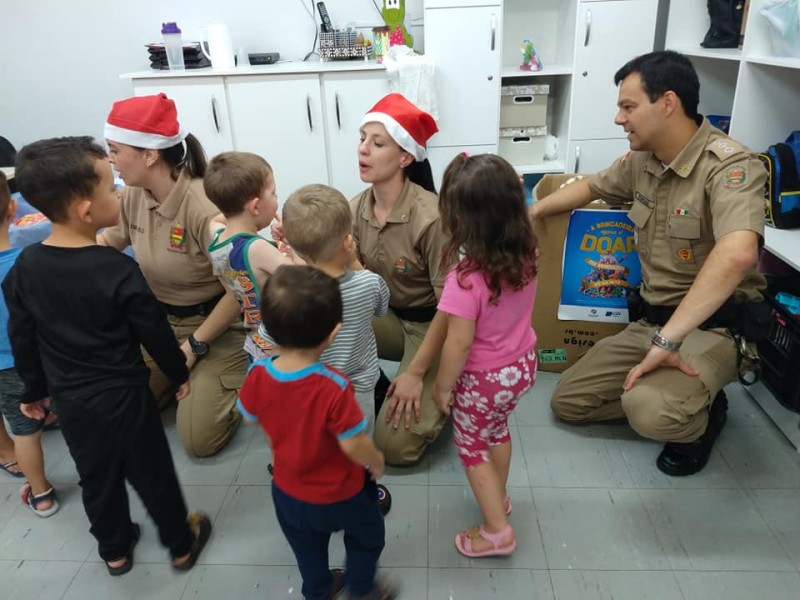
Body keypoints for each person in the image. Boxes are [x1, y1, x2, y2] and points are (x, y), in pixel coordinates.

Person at [531, 50, 768, 476]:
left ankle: (699, 419)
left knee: (649, 411)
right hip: (651, 322)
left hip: (712, 329)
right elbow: (591, 187)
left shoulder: (730, 166)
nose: (619, 119)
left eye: (628, 106)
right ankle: (672, 394)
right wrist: (533, 213)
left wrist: (667, 342)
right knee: (569, 402)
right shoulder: (644, 161)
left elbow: (738, 253)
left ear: (668, 103)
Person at [3, 136, 212, 575]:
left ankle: (115, 551)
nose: (119, 193)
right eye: (109, 189)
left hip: (71, 401)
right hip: (127, 397)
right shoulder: (118, 269)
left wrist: (34, 391)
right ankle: (180, 544)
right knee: (152, 472)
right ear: (85, 210)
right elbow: (154, 333)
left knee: (96, 476)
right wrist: (178, 374)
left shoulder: (24, 268)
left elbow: (22, 337)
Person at [98, 93, 249, 457]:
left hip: (218, 326)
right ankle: (182, 383)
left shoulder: (203, 207)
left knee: (199, 440)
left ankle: (242, 375)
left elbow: (238, 293)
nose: (110, 160)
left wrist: (194, 347)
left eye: (115, 150)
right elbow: (109, 241)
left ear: (150, 155)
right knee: (118, 412)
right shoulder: (134, 193)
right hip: (161, 323)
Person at [238, 265, 396, 600]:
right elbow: (353, 444)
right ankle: (362, 588)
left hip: (289, 492)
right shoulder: (334, 387)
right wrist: (376, 459)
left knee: (307, 550)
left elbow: (251, 418)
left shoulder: (257, 375)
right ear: (333, 332)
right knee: (367, 539)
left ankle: (319, 591)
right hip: (343, 493)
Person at [431, 153, 539, 558]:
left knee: (472, 447)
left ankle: (497, 531)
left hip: (483, 381)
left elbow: (457, 344)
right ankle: (499, 497)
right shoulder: (527, 253)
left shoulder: (465, 280)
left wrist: (443, 387)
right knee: (497, 432)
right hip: (521, 367)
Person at [280, 183, 393, 514]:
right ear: (347, 241)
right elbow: (383, 307)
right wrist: (354, 261)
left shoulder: (290, 293)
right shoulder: (367, 284)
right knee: (358, 442)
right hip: (357, 386)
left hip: (310, 390)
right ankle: (361, 492)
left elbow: (269, 335)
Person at [351, 93, 449, 466]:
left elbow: (452, 310)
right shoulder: (356, 208)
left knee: (395, 449)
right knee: (323, 309)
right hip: (388, 316)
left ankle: (450, 380)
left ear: (406, 157)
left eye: (378, 143)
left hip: (433, 325)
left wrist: (416, 374)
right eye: (362, 139)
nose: (363, 149)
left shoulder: (431, 218)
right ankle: (377, 384)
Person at [0, 170, 59, 516]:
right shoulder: (29, 262)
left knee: (23, 432)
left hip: (5, 370)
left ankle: (42, 494)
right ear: (13, 209)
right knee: (71, 415)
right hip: (46, 359)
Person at [203, 151, 293, 361]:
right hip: (278, 344)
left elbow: (217, 219)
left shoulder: (216, 237)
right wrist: (289, 239)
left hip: (255, 340)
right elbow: (303, 276)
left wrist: (233, 206)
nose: (276, 198)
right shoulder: (257, 248)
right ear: (255, 206)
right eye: (274, 193)